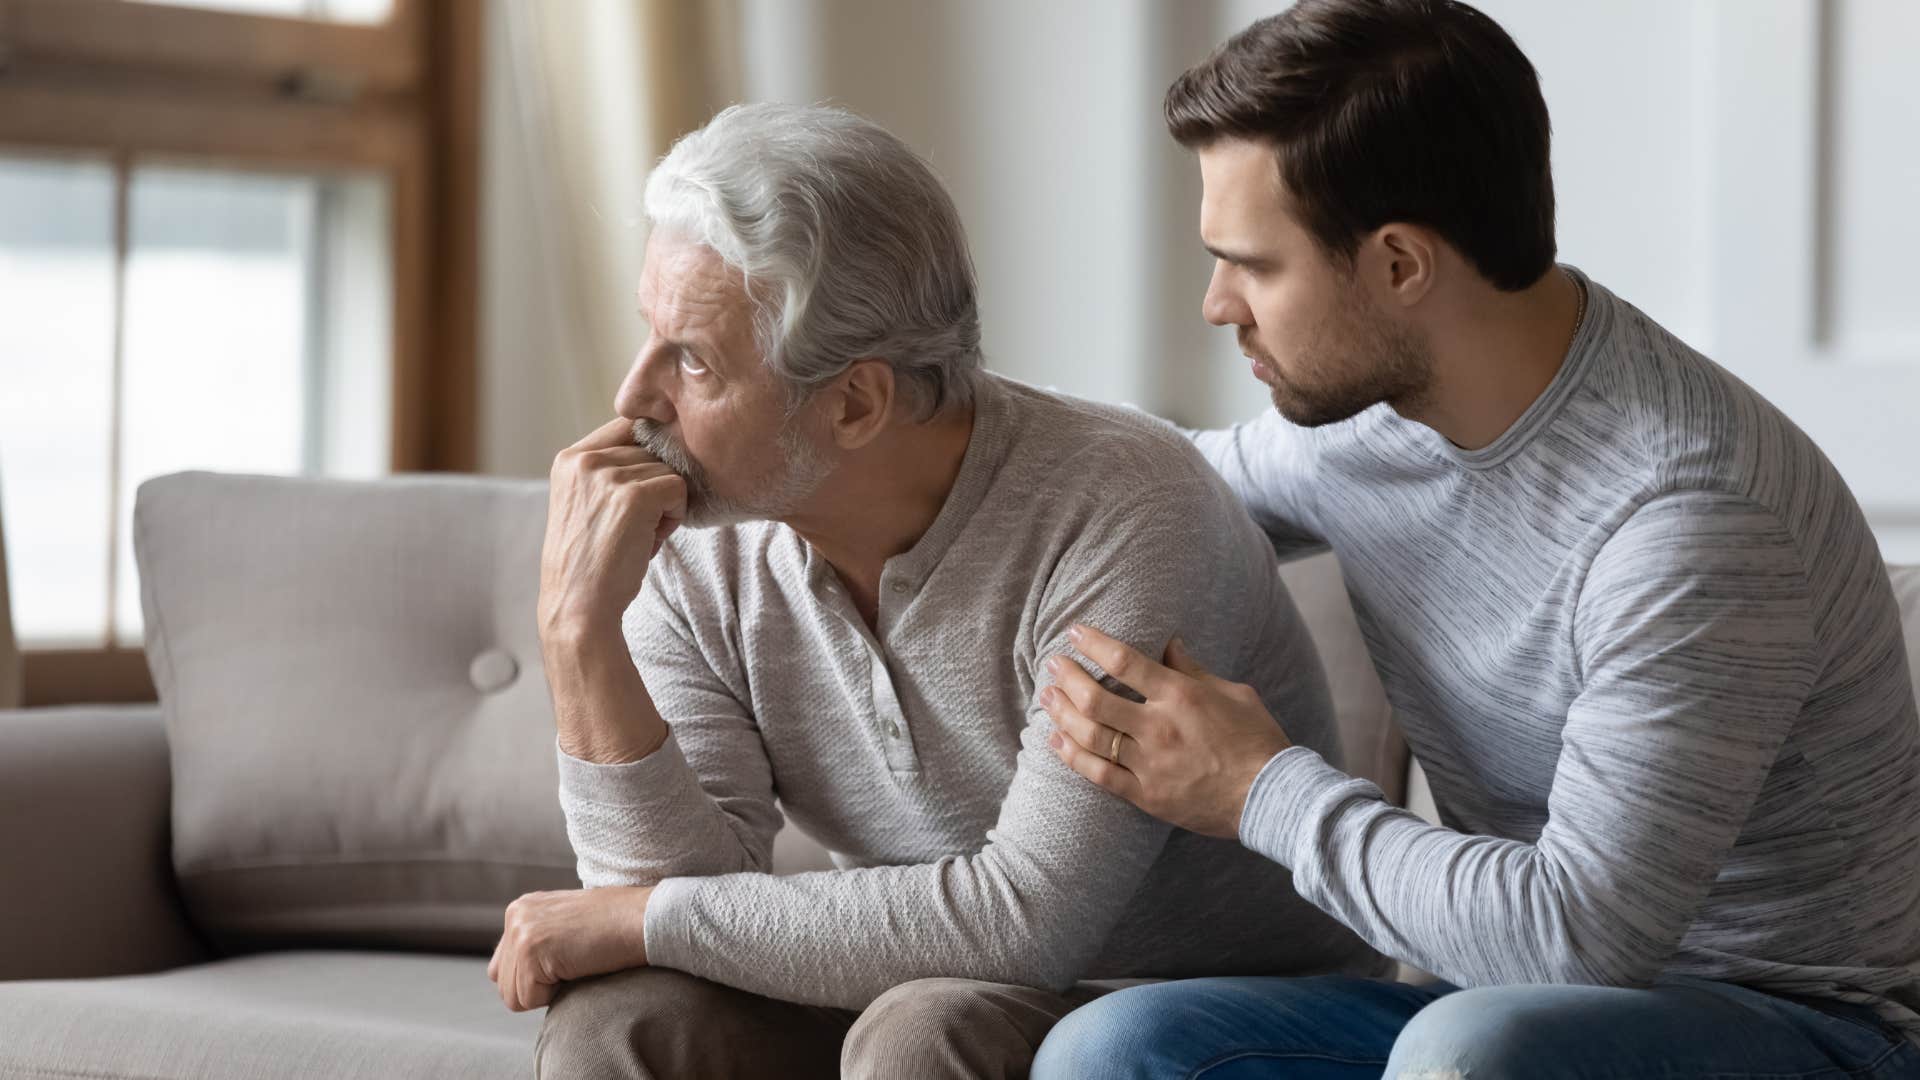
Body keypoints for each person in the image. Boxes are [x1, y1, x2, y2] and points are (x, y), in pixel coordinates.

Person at [1032, 2, 1920, 1077]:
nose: (1219, 305)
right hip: (1484, 997)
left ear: (1401, 264)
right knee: (1114, 1050)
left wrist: (1257, 786)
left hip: (1798, 1024)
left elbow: (1576, 938)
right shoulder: (1358, 430)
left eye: (1253, 265)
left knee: (1475, 1048)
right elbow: (1144, 493)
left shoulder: (1688, 519)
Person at [486, 101, 1382, 1079]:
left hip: (1194, 1014)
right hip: (922, 985)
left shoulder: (1119, 505)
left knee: (924, 1030)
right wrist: (579, 635)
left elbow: (1028, 920)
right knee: (620, 1020)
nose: (633, 397)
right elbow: (661, 915)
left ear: (856, 403)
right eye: (649, 336)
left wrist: (650, 918)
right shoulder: (698, 534)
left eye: (693, 359)